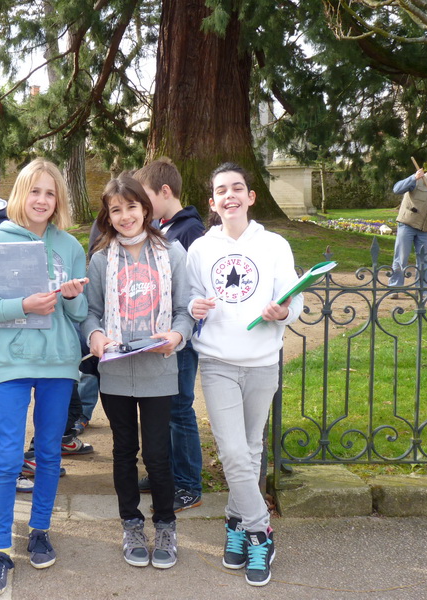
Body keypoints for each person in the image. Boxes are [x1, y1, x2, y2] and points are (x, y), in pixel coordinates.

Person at [0, 158, 87, 597]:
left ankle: (39, 531)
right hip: (11, 364)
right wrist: (23, 306)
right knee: (9, 458)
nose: (42, 200)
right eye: (35, 190)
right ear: (20, 194)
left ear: (58, 200)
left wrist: (70, 296)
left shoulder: (69, 246)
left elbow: (79, 314)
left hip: (58, 363)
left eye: (50, 193)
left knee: (49, 453)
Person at [186, 162, 303, 587]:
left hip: (262, 362)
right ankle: (259, 532)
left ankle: (235, 524)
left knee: (251, 450)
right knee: (234, 452)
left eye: (238, 188)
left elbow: (294, 299)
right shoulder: (201, 249)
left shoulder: (274, 245)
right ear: (212, 203)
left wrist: (282, 311)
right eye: (221, 190)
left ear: (251, 197)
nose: (230, 195)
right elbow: (190, 298)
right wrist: (194, 307)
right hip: (218, 362)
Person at [83, 175, 193, 570]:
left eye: (131, 207)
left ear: (145, 209)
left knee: (158, 454)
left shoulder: (172, 252)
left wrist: (176, 335)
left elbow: (184, 310)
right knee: (124, 450)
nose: (125, 216)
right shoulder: (101, 259)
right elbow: (91, 312)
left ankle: (165, 525)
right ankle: (131, 524)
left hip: (158, 368)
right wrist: (95, 335)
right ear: (108, 216)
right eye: (116, 210)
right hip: (115, 372)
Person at [133, 158, 205, 513]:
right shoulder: (164, 227)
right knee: (163, 408)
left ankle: (189, 484)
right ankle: (168, 473)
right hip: (162, 336)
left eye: (145, 197)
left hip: (182, 338)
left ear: (165, 192)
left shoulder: (189, 231)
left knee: (179, 409)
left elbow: (192, 290)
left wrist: (181, 331)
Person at [388, 163, 427, 290]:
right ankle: (395, 287)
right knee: (401, 258)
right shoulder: (418, 179)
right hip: (407, 225)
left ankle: (422, 289)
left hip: (425, 230)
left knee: (424, 261)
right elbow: (396, 189)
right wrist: (413, 178)